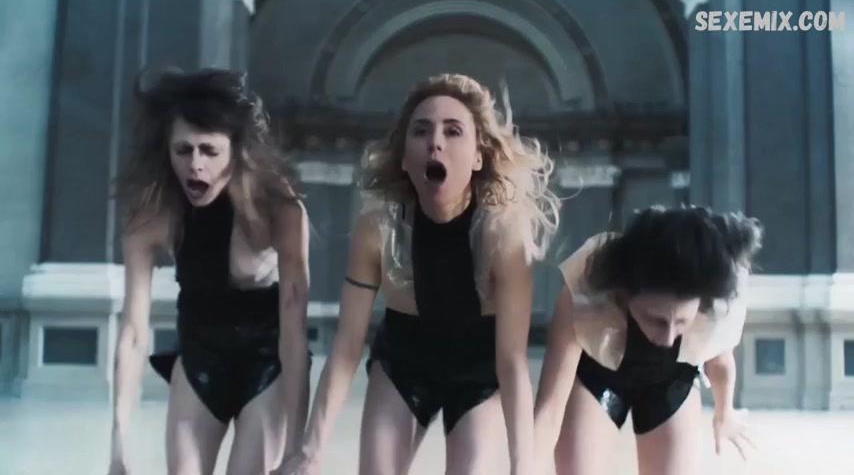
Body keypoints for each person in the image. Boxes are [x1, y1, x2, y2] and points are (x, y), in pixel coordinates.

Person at [278, 73, 561, 475]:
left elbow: (512, 362)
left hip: (479, 368)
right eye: (421, 130)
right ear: (404, 158)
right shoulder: (377, 228)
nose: (435, 142)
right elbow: (346, 345)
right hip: (405, 360)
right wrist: (310, 449)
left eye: (453, 131)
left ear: (478, 157)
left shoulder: (501, 235)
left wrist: (523, 466)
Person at [107, 67, 311, 475]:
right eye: (183, 150)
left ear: (237, 152)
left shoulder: (279, 209)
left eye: (209, 151)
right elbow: (133, 333)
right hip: (200, 354)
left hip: (266, 357)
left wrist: (296, 448)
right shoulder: (151, 216)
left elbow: (294, 328)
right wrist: (119, 445)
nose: (195, 165)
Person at [533, 205, 763, 475]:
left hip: (671, 380)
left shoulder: (714, 303)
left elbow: (721, 362)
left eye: (681, 322)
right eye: (657, 320)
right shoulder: (585, 296)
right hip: (598, 376)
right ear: (625, 295)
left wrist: (725, 414)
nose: (668, 338)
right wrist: (526, 465)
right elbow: (549, 410)